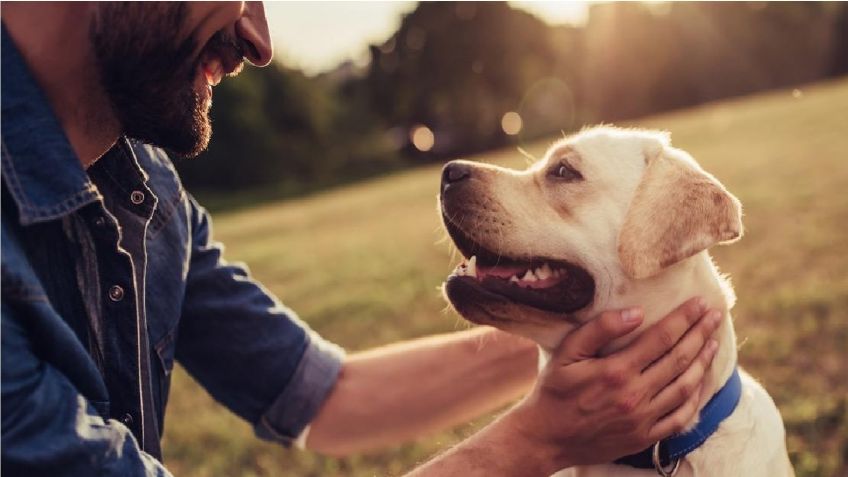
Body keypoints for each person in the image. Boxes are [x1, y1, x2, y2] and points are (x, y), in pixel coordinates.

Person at [0, 3, 721, 476]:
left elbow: (330, 396)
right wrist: (537, 440)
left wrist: (596, 323)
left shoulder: (147, 190)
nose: (259, 40)